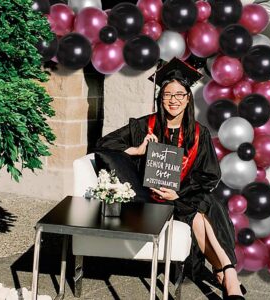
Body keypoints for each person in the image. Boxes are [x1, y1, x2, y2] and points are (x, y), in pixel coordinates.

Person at [96, 58, 245, 299]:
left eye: (179, 94)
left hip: (181, 197)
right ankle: (227, 273)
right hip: (151, 200)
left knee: (201, 206)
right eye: (167, 95)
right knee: (201, 209)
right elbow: (104, 145)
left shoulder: (198, 133)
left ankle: (227, 273)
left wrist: (180, 192)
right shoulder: (145, 126)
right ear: (160, 98)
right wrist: (137, 150)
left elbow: (209, 174)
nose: (173, 100)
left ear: (188, 98)